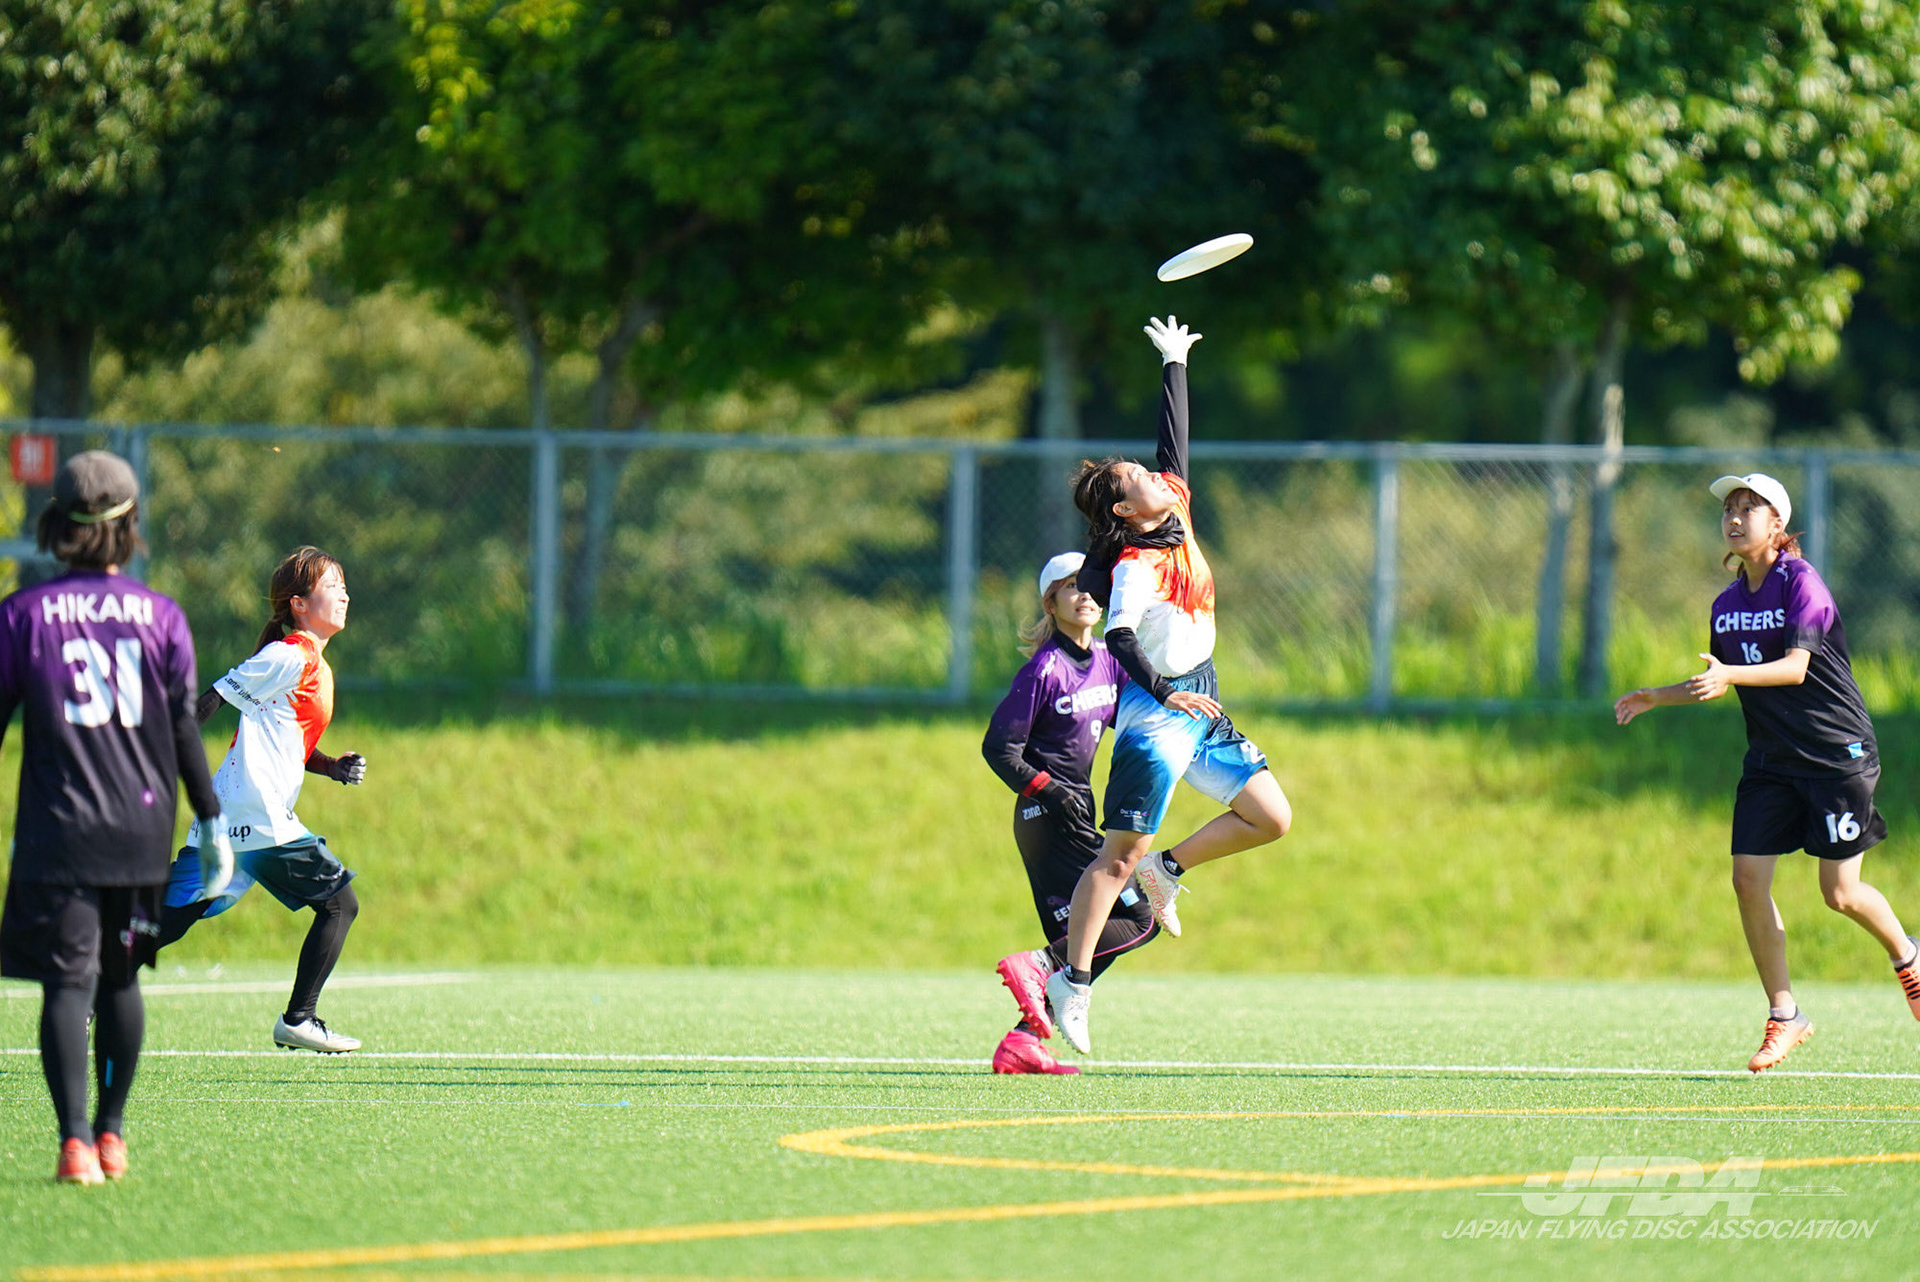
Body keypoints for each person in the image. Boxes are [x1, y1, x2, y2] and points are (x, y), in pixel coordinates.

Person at [1043, 316, 1292, 1054]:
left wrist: (1175, 363)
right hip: (1158, 710)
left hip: (1199, 697)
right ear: (1125, 512)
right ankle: (1073, 982)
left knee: (1270, 817)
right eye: (1137, 483)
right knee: (1114, 856)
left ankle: (1168, 871)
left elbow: (1172, 447)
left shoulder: (1172, 504)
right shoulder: (1134, 567)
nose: (1154, 479)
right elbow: (1119, 639)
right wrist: (1164, 689)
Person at [1615, 472, 1920, 1072]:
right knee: (1748, 880)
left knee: (1840, 893)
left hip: (1835, 754)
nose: (1734, 517)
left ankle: (1909, 960)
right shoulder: (1726, 605)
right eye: (1728, 508)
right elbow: (1721, 677)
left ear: (1777, 523)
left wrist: (1729, 675)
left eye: (1748, 508)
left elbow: (1795, 667)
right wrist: (1658, 695)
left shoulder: (1801, 582)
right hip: (1772, 762)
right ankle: (1786, 1015)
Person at [0, 451, 233, 1184]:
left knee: (68, 984)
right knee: (121, 982)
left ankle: (74, 1144)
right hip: (139, 831)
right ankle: (112, 1135)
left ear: (56, 523)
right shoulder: (161, 616)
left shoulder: (22, 614)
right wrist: (211, 819)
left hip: (58, 832)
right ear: (130, 525)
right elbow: (183, 729)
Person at [158, 546, 367, 1054]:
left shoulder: (312, 664)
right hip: (257, 812)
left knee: (172, 914)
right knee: (339, 903)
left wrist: (331, 766)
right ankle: (299, 1019)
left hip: (237, 812)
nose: (343, 595)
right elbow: (212, 698)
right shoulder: (290, 654)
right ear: (299, 604)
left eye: (343, 586)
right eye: (332, 586)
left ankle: (91, 973)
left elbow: (290, 743)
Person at [983, 551, 1151, 1074]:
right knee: (1137, 919)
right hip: (1047, 820)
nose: (1084, 595)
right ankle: (1040, 964)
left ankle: (1024, 1041)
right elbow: (998, 748)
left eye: (1090, 585)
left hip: (1077, 812)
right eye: (1070, 586)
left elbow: (1135, 718)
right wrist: (1050, 791)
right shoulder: (1044, 669)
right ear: (1050, 603)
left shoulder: (1107, 659)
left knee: (1095, 933)